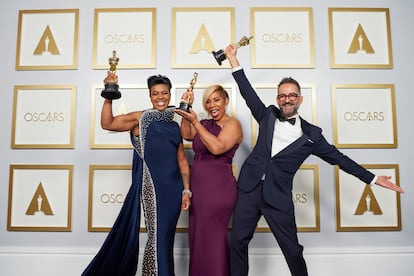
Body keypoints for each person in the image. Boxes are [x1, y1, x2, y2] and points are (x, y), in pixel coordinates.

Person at [224, 43, 404, 276]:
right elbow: (247, 92)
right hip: (248, 188)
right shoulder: (267, 115)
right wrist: (233, 60)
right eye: (282, 95)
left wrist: (373, 178)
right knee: (237, 242)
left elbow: (341, 159)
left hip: (277, 196)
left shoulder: (312, 136)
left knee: (292, 250)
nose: (287, 99)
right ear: (278, 99)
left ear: (299, 99)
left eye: (292, 95)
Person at [82, 72, 191, 276]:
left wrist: (186, 190)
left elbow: (183, 162)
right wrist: (108, 95)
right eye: (155, 93)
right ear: (150, 96)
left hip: (174, 190)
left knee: (164, 241)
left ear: (170, 94)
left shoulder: (174, 124)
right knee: (157, 239)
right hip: (152, 189)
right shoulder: (140, 119)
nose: (161, 97)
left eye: (165, 93)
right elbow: (108, 123)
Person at [175, 84, 243, 276]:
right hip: (198, 189)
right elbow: (186, 134)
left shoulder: (233, 124)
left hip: (218, 189)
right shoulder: (205, 124)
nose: (212, 104)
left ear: (226, 100)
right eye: (207, 101)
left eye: (216, 99)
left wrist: (195, 122)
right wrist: (185, 109)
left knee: (212, 238)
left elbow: (217, 148)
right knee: (199, 239)